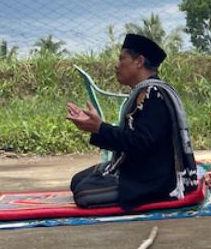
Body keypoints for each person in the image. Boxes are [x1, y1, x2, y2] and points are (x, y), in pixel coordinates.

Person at [67, 34, 198, 209]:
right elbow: (135, 138)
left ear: (139, 61)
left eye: (122, 59)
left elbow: (141, 142)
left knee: (84, 193)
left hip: (153, 178)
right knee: (77, 180)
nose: (117, 65)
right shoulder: (144, 92)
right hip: (138, 167)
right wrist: (98, 128)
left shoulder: (154, 94)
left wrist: (100, 128)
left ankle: (150, 194)